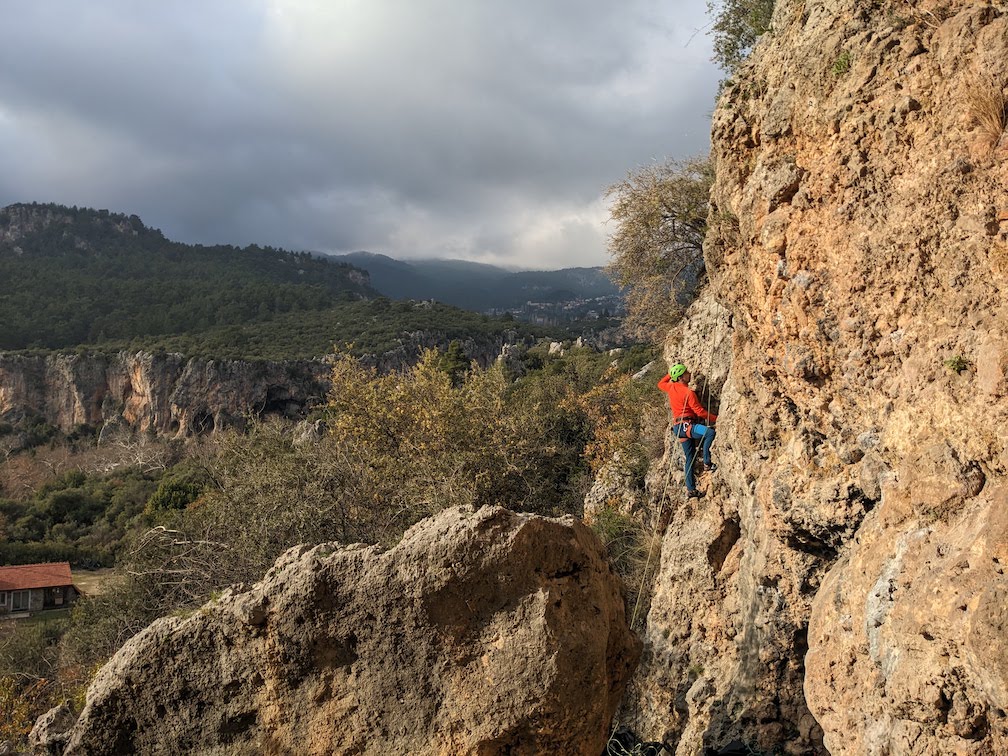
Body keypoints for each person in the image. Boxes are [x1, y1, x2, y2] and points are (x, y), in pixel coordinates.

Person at [658, 363, 717, 498]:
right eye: (686, 373)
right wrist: (717, 418)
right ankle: (707, 463)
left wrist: (671, 375)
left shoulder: (671, 387)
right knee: (709, 433)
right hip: (687, 425)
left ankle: (691, 489)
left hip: (679, 428)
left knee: (690, 458)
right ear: (681, 378)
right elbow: (700, 412)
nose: (689, 374)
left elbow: (660, 383)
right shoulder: (688, 393)